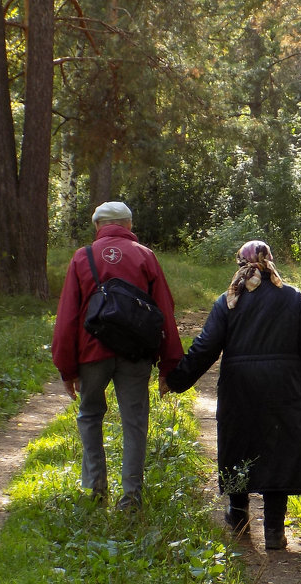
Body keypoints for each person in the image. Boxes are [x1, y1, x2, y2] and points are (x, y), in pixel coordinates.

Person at [160, 240, 301, 550]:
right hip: (284, 387)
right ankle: (274, 530)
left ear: (241, 265)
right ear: (271, 262)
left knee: (239, 445)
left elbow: (205, 347)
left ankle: (238, 517)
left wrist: (177, 380)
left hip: (239, 386)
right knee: (280, 452)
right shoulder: (294, 299)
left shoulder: (229, 301)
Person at [52, 201, 183, 511]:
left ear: (98, 226)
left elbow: (67, 316)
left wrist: (67, 369)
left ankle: (95, 490)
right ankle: (131, 498)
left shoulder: (82, 257)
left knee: (89, 415)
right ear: (128, 225)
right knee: (135, 421)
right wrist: (169, 364)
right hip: (136, 353)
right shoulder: (145, 256)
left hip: (91, 351)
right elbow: (164, 310)